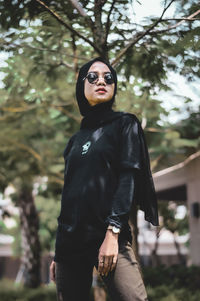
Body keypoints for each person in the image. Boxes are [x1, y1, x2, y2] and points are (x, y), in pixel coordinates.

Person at [50, 57, 159, 301]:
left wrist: (112, 234)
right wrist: (59, 252)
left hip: (109, 236)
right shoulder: (75, 141)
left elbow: (127, 179)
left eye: (108, 77)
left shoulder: (125, 124)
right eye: (93, 76)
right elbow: (68, 198)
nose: (102, 80)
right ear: (81, 84)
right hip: (70, 244)